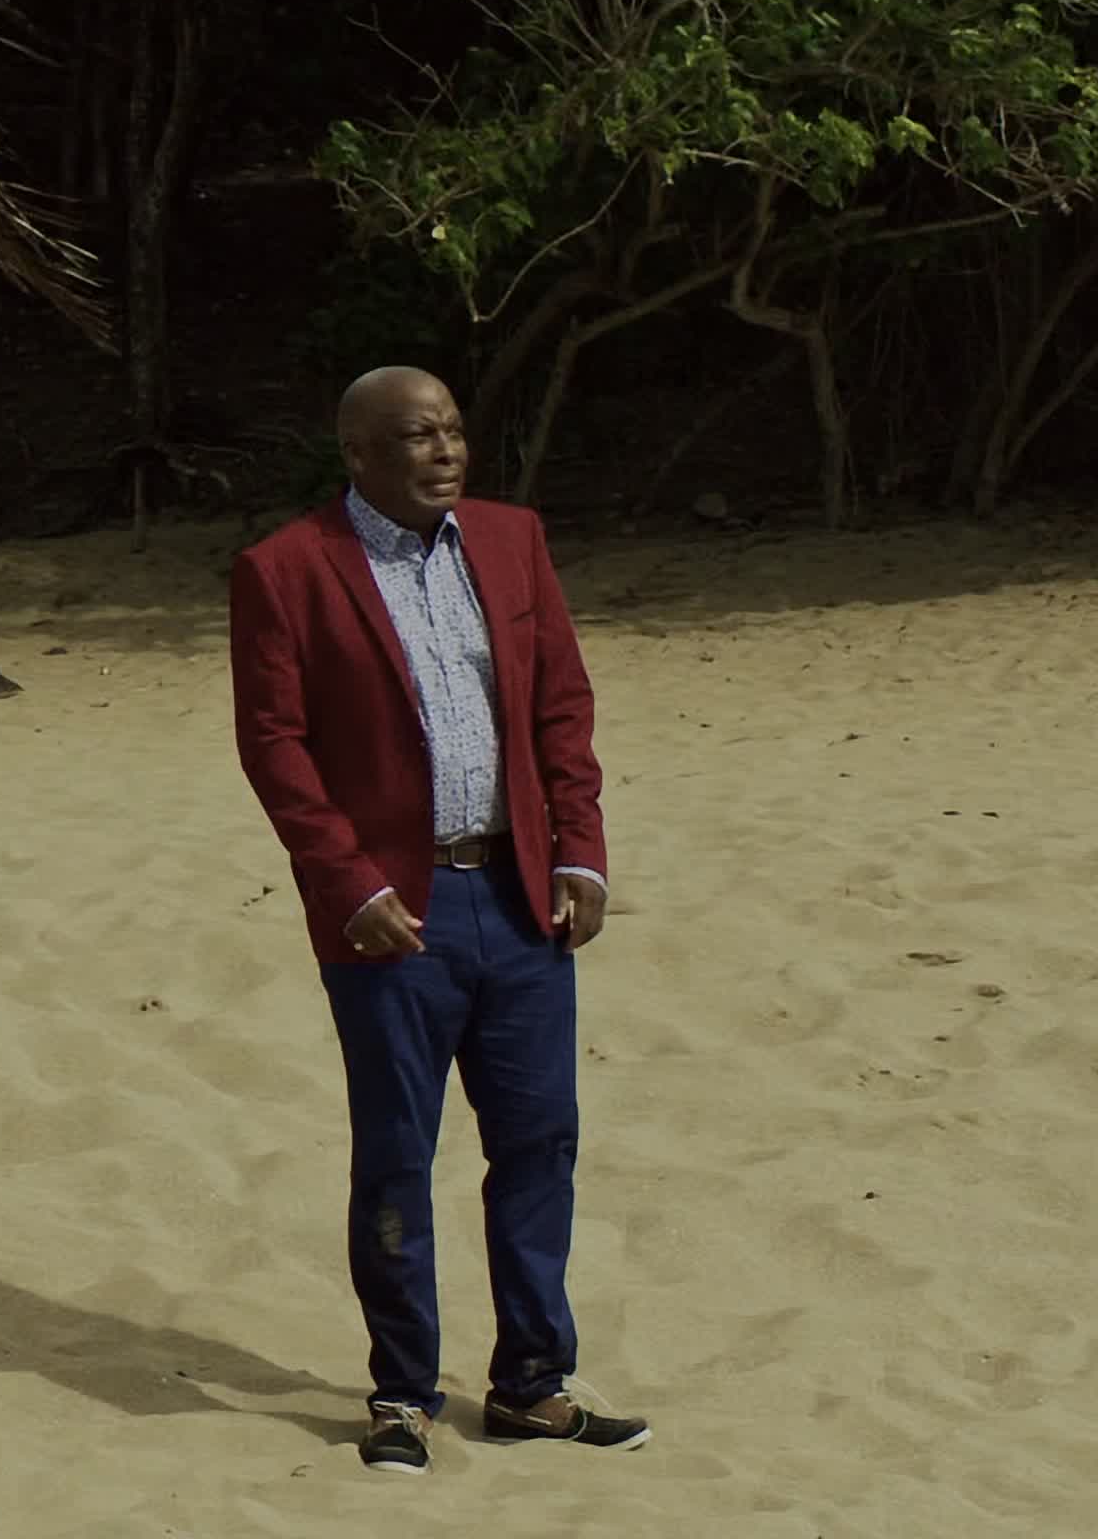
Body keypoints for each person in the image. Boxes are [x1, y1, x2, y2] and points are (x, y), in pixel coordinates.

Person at [224, 366, 645, 1477]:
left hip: (520, 893)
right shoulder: (287, 568)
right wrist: (347, 885)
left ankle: (533, 1385)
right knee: (398, 1156)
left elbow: (561, 705)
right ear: (359, 453)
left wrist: (582, 850)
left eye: (454, 430)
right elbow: (274, 745)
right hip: (392, 913)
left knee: (540, 1142)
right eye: (418, 435)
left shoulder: (511, 540)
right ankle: (402, 1392)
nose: (446, 450)